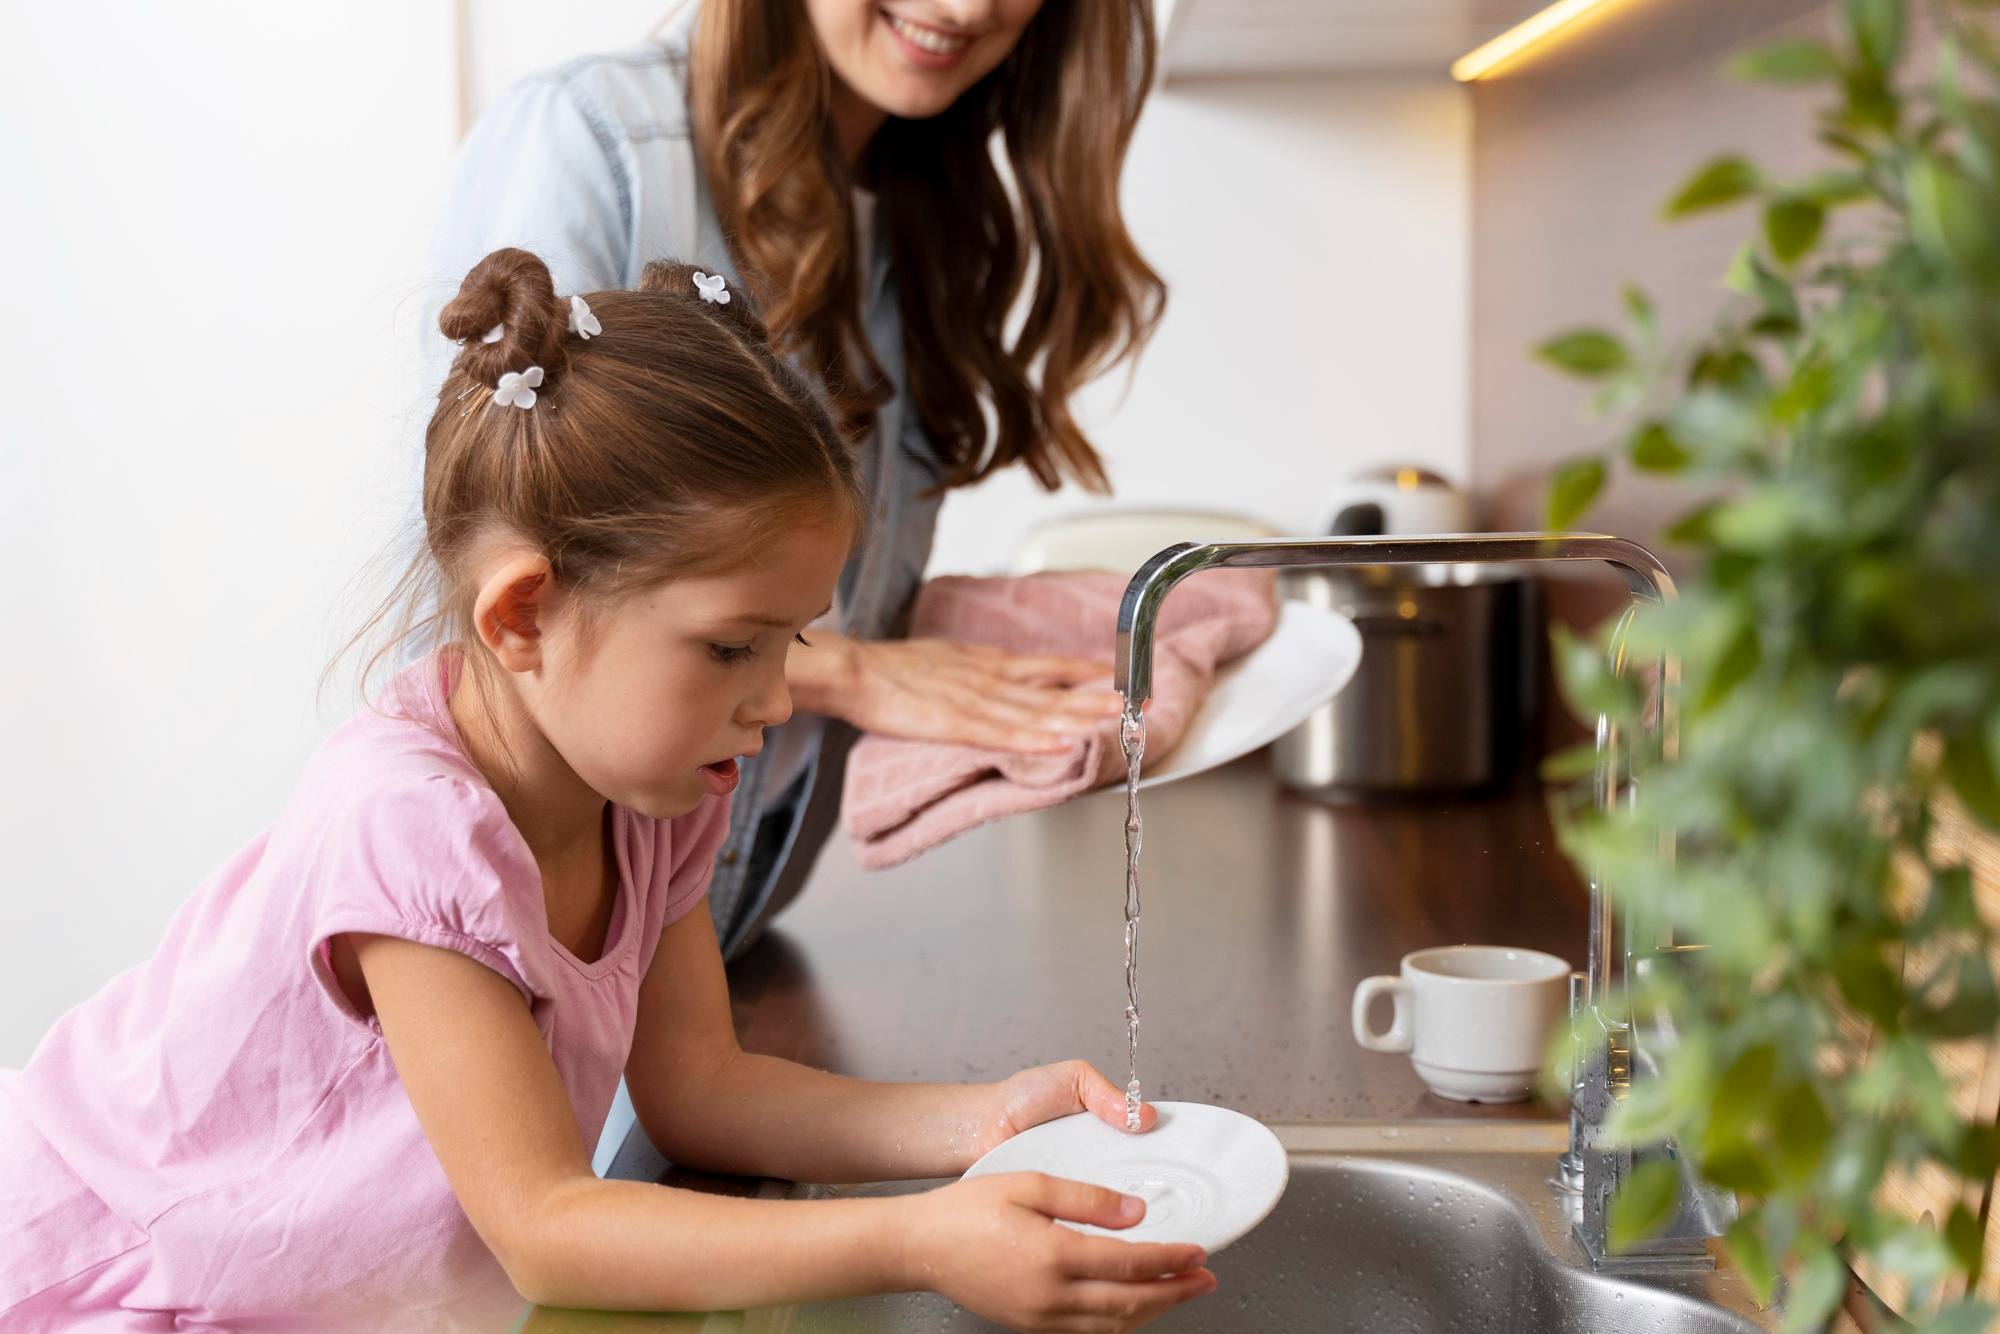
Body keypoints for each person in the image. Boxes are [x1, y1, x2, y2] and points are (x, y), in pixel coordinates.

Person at [0, 251, 1215, 1330]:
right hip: (117, 1276)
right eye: (732, 645)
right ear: (523, 612)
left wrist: (982, 1121)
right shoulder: (410, 828)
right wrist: (917, 1240)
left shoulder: (654, 792)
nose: (778, 697)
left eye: (790, 640)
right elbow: (544, 1220)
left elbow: (700, 1087)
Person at [428, 0, 1166, 960]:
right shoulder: (595, 142)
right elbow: (494, 572)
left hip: (716, 938)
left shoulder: (919, 203)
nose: (970, 8)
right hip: (531, 945)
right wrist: (854, 673)